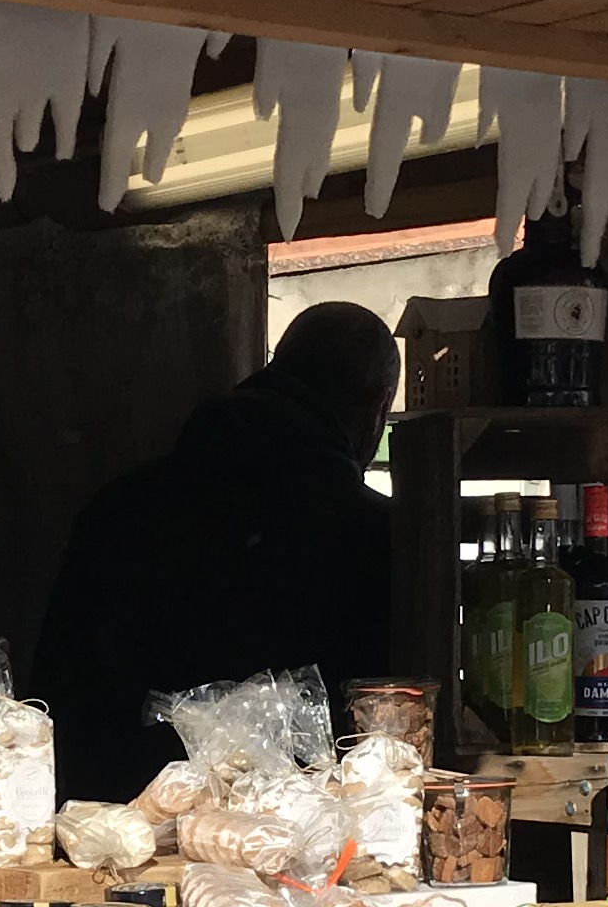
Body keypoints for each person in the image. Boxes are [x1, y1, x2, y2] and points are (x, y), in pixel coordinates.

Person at [28, 302, 398, 806]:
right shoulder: (377, 533)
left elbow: (54, 698)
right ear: (378, 407)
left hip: (117, 840)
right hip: (308, 849)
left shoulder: (119, 508)